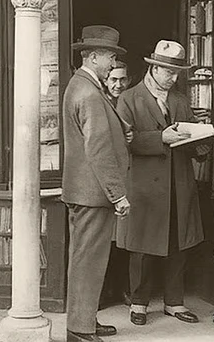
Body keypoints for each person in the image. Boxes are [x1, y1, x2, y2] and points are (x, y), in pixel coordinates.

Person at [116, 40, 205, 326]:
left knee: (179, 243)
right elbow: (121, 143)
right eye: (168, 72)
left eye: (177, 73)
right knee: (142, 247)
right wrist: (160, 139)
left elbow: (190, 137)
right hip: (145, 186)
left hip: (179, 184)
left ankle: (174, 302)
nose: (173, 78)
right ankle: (139, 303)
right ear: (153, 68)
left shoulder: (179, 99)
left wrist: (205, 138)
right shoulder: (129, 98)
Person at [62, 25, 131, 342]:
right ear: (92, 56)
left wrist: (122, 129)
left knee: (84, 259)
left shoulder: (82, 86)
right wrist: (118, 195)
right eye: (110, 56)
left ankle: (83, 319)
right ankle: (79, 328)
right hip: (94, 193)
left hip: (84, 191)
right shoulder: (90, 93)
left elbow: (99, 136)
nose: (113, 62)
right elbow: (98, 149)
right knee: (88, 262)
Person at [99, 60, 131, 309]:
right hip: (105, 182)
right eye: (113, 79)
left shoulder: (130, 102)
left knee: (123, 239)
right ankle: (104, 292)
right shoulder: (99, 102)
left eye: (123, 79)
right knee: (104, 240)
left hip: (128, 179)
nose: (118, 84)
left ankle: (121, 288)